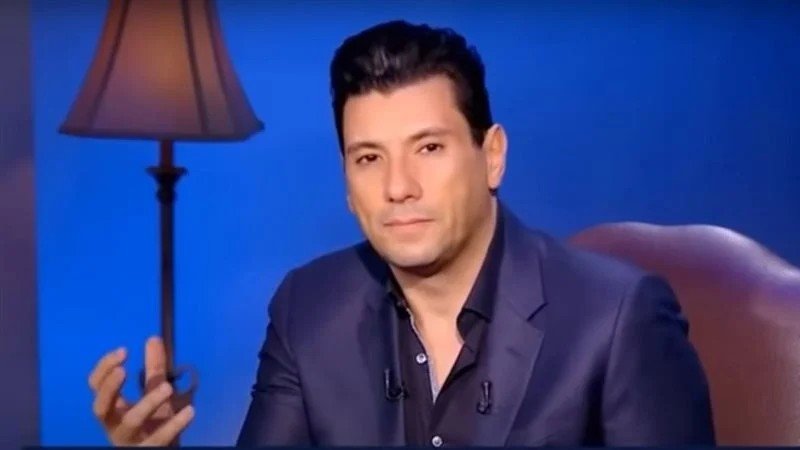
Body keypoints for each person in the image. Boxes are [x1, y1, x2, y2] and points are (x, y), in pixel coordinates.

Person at [88, 20, 715, 446]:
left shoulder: (617, 318)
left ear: (492, 156)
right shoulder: (307, 309)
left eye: (429, 148)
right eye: (369, 158)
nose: (398, 186)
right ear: (347, 179)